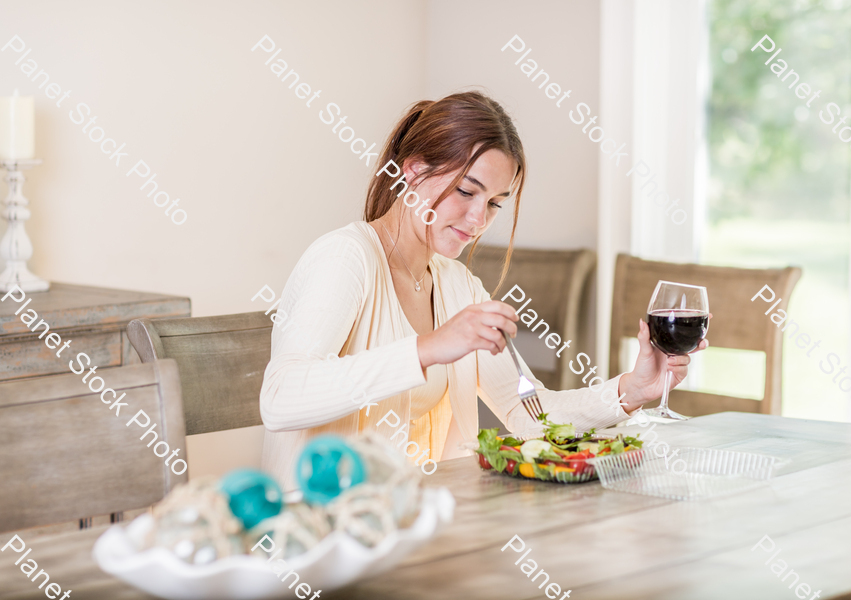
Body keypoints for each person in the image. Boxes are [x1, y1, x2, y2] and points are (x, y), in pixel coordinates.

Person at [259, 91, 707, 490]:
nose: (478, 221)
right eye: (466, 192)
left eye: (494, 204)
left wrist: (632, 389)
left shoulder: (456, 285)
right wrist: (430, 347)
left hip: (417, 532)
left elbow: (530, 417)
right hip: (323, 542)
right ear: (413, 172)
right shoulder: (345, 258)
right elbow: (280, 398)